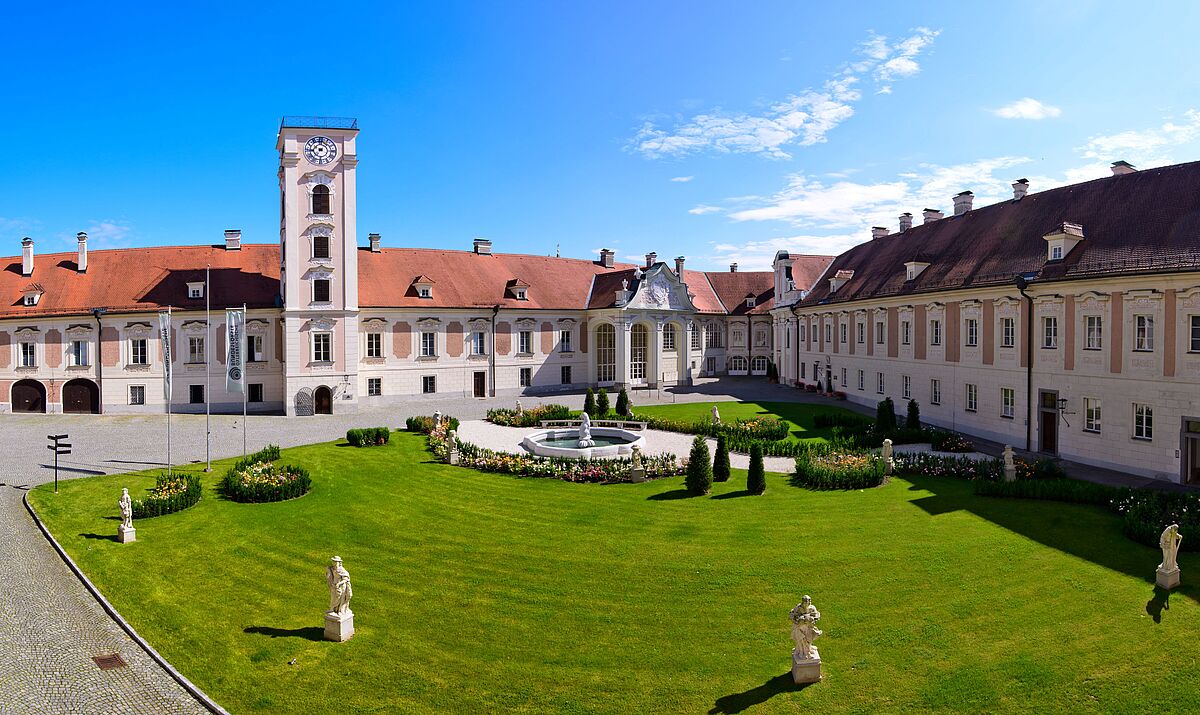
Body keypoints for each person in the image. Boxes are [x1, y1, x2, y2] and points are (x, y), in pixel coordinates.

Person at [789, 595, 822, 660]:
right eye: (805, 601)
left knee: (808, 639)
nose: (807, 603)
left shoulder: (812, 608)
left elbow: (816, 615)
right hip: (799, 627)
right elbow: (792, 615)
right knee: (801, 639)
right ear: (802, 602)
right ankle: (803, 652)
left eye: (808, 601)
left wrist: (811, 619)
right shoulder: (798, 607)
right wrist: (799, 620)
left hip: (808, 627)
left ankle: (808, 649)